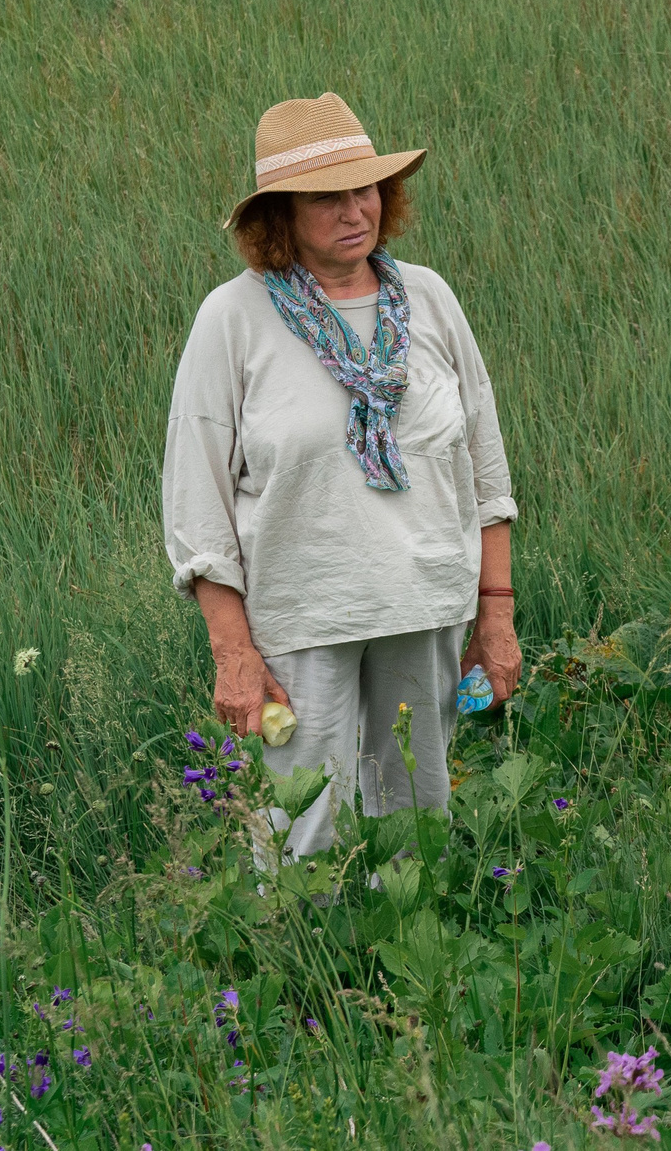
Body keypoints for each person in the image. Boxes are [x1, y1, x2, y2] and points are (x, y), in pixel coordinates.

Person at [161, 92, 520, 857]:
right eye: (327, 195)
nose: (355, 209)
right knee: (300, 835)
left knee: (416, 822)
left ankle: (410, 972)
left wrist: (496, 611)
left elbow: (485, 471)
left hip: (426, 606)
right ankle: (298, 973)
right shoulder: (234, 318)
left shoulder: (429, 300)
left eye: (365, 188)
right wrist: (234, 654)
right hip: (302, 620)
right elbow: (198, 502)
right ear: (278, 216)